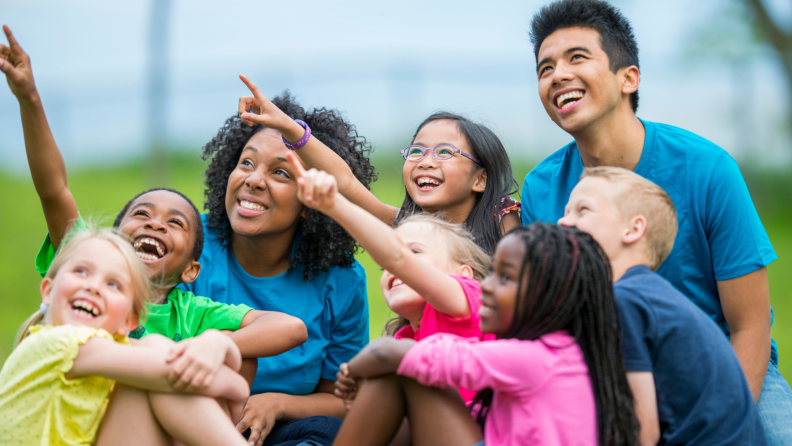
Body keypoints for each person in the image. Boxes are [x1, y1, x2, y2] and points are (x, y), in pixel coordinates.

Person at [520, 0, 792, 440]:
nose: (557, 75)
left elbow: (750, 326)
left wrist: (724, 421)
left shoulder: (707, 168)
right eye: (544, 68)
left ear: (629, 78)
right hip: (608, 376)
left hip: (722, 366)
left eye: (577, 58)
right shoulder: (542, 188)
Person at [0, 24, 308, 388]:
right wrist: (30, 98)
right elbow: (55, 190)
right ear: (114, 240)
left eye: (175, 224)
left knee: (240, 364)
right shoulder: (87, 273)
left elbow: (290, 328)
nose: (155, 225)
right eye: (142, 214)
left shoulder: (190, 314)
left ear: (191, 271)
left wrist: (211, 343)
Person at [329, 223, 637, 446]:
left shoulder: (536, 357)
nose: (487, 284)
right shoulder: (551, 352)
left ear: (547, 295)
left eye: (504, 277)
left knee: (407, 370)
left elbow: (385, 354)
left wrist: (350, 371)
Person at [186, 86, 374, 446]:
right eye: (247, 163)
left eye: (281, 173)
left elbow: (344, 400)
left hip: (282, 434)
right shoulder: (190, 246)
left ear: (312, 199)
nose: (254, 180)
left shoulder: (342, 281)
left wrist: (276, 404)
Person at [559, 166, 767, 445]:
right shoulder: (647, 296)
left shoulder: (626, 302)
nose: (562, 222)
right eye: (566, 211)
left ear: (633, 229)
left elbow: (641, 433)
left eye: (582, 210)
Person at [0, 228, 251, 446]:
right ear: (48, 290)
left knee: (154, 350)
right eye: (81, 271)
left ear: (130, 321)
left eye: (113, 285)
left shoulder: (110, 349)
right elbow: (180, 373)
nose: (93, 287)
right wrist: (235, 381)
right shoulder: (55, 342)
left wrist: (218, 343)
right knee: (161, 374)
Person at [288, 155, 494, 406]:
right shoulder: (404, 339)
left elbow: (396, 258)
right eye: (384, 266)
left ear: (463, 275)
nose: (393, 268)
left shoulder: (470, 297)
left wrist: (333, 204)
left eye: (414, 253)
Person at [236, 75, 519, 255]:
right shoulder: (409, 227)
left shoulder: (501, 220)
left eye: (444, 152)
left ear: (480, 179)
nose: (425, 162)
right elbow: (345, 183)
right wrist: (287, 126)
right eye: (416, 151)